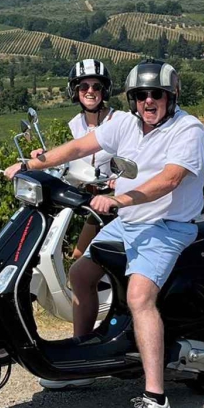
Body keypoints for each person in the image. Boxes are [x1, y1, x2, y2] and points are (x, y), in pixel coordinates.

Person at [2, 60, 204, 408]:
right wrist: (29, 163)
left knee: (139, 297)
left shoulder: (188, 129)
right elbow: (81, 145)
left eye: (156, 95)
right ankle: (82, 365)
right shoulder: (127, 125)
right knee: (81, 274)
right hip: (130, 223)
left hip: (167, 226)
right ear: (131, 100)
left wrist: (121, 199)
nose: (149, 101)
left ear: (171, 97)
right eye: (141, 95)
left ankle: (156, 401)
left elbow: (170, 179)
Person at [64, 58, 118, 258]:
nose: (90, 91)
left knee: (83, 254)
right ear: (75, 91)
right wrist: (42, 157)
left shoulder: (118, 121)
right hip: (90, 199)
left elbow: (135, 157)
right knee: (82, 256)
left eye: (96, 86)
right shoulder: (75, 125)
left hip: (116, 198)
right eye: (83, 86)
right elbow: (70, 154)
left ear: (104, 91)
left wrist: (119, 178)